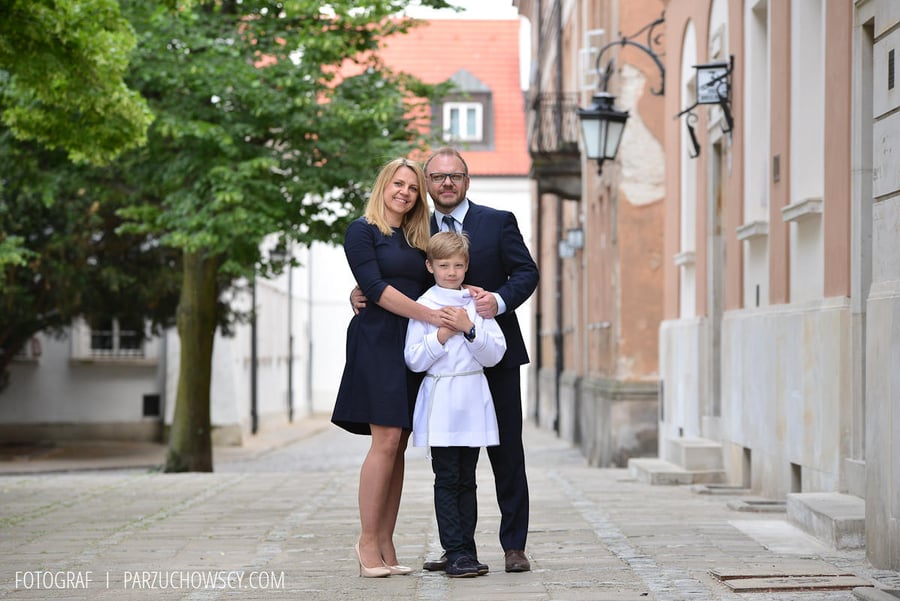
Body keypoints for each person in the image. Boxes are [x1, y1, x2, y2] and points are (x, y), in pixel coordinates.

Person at [352, 147, 539, 572]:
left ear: (467, 180)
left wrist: (498, 300)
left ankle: (514, 545)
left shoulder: (497, 221)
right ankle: (457, 547)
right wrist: (361, 292)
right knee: (449, 460)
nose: (446, 183)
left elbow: (526, 272)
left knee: (507, 450)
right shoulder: (417, 230)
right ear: (429, 186)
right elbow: (396, 277)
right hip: (436, 357)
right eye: (436, 178)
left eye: (454, 176)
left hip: (493, 349)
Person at [332, 157, 453, 578]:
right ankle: (366, 542)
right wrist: (428, 315)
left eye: (413, 187)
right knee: (384, 442)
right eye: (397, 183)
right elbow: (376, 288)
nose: (404, 191)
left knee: (398, 444)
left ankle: (386, 541)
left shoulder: (421, 237)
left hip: (412, 346)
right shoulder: (361, 231)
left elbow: (439, 276)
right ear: (383, 185)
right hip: (378, 342)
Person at [404, 232, 507, 578]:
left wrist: (469, 329)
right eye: (444, 265)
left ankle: (465, 548)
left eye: (458, 265)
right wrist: (442, 335)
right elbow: (414, 359)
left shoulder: (477, 303)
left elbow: (495, 353)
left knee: (468, 478)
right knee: (447, 477)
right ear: (430, 266)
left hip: (472, 400)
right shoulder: (423, 304)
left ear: (467, 267)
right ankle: (457, 551)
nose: (451, 272)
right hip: (441, 402)